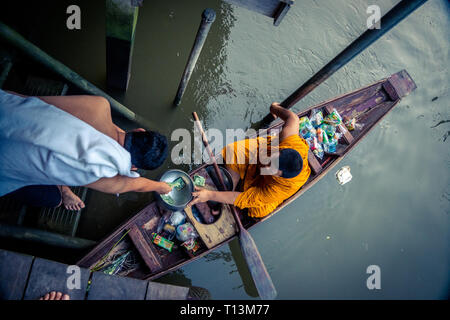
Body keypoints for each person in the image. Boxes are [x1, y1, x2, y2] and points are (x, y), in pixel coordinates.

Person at [0, 90, 172, 210]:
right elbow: (139, 185)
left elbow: (34, 104)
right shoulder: (110, 176)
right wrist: (161, 187)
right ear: (133, 168)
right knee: (54, 200)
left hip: (7, 112)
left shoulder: (98, 107)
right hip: (5, 167)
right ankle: (63, 190)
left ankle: (63, 187)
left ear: (138, 131)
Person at [189, 102, 311, 218]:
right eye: (270, 160)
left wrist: (209, 195)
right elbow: (292, 118)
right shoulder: (290, 142)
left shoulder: (278, 189)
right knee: (234, 151)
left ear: (279, 176)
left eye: (270, 169)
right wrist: (274, 108)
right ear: (280, 150)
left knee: (257, 209)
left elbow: (244, 198)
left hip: (263, 188)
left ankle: (225, 199)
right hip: (261, 151)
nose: (265, 166)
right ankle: (230, 187)